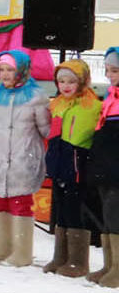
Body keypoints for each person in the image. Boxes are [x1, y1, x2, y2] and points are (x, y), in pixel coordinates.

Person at [0, 50, 50, 267]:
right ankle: (2, 247)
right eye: (1, 70)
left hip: (23, 156)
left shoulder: (37, 96)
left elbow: (45, 130)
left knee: (21, 203)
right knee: (0, 201)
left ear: (22, 70)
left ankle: (22, 252)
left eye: (10, 69)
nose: (5, 74)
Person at [41, 59, 101, 277]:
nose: (65, 86)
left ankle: (78, 261)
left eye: (71, 81)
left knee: (74, 208)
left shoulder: (92, 105)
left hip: (77, 160)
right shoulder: (57, 104)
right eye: (61, 81)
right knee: (60, 208)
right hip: (59, 159)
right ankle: (60, 256)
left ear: (83, 81)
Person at [85, 48, 119, 288]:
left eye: (114, 70)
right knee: (107, 216)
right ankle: (109, 264)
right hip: (106, 166)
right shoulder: (110, 97)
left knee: (116, 216)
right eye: (107, 70)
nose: (109, 75)